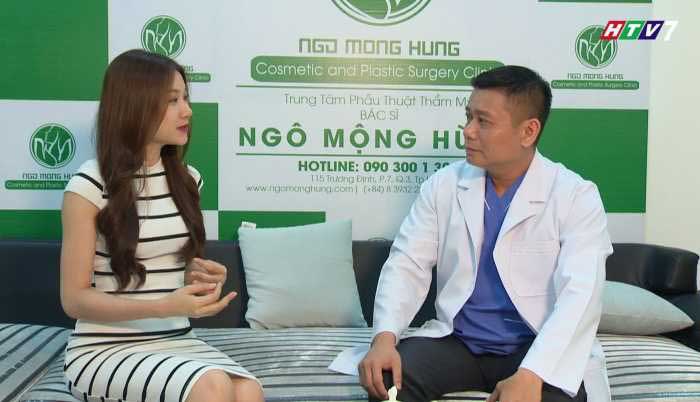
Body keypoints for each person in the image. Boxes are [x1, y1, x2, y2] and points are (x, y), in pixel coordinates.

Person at [339, 65, 613, 402]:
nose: (468, 131)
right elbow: (407, 264)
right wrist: (384, 338)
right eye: (468, 117)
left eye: (483, 121)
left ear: (528, 131)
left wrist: (532, 374)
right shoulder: (443, 185)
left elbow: (580, 294)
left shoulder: (575, 196)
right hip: (459, 344)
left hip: (534, 346)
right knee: (387, 383)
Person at [60, 49, 264, 402]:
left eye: (185, 98)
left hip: (175, 339)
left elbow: (170, 271)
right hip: (104, 348)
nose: (187, 111)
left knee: (248, 390)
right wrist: (163, 307)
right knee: (212, 386)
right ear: (136, 105)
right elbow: (74, 299)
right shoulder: (89, 185)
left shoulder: (188, 180)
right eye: (172, 100)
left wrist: (198, 277)